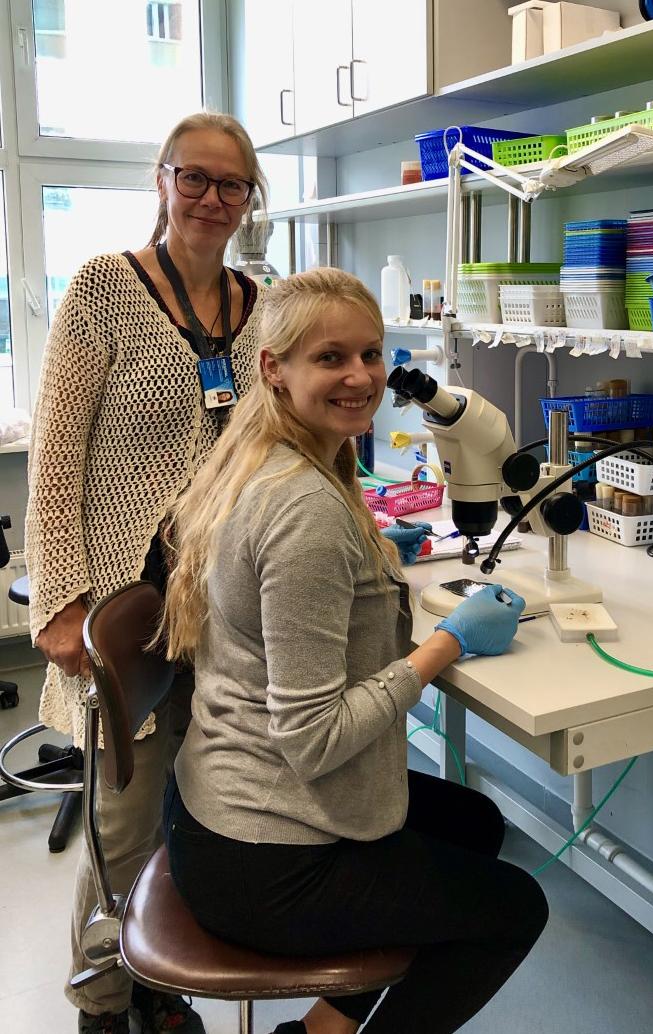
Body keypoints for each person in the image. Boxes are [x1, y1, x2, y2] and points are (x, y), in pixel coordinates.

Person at [160, 267, 549, 1034]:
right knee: (513, 909)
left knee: (470, 825)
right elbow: (313, 737)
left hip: (212, 805)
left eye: (371, 355)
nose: (362, 377)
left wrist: (374, 558)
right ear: (273, 367)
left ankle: (319, 1032)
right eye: (330, 358)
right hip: (262, 856)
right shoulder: (303, 507)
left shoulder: (274, 458)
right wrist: (446, 642)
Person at [25, 111, 269, 1034]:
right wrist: (61, 605)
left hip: (231, 605)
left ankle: (161, 982)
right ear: (161, 182)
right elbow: (56, 460)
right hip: (129, 608)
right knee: (124, 823)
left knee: (205, 807)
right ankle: (102, 995)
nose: (212, 198)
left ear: (251, 200)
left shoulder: (261, 306)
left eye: (231, 184)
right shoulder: (103, 290)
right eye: (193, 177)